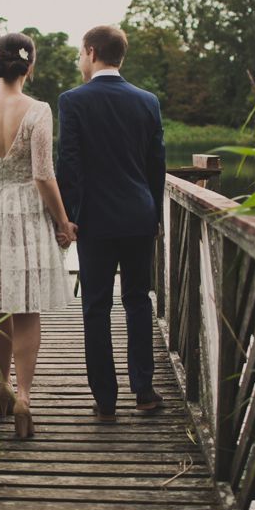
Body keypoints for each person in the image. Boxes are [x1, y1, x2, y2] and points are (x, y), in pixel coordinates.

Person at [0, 32, 77, 439]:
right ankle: (24, 394)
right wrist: (62, 221)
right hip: (26, 208)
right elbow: (43, 173)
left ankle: (1, 383)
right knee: (27, 306)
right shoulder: (38, 110)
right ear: (30, 66)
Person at [56, 25, 166, 423]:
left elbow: (68, 163)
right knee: (138, 301)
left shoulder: (73, 101)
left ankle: (105, 401)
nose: (79, 61)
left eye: (79, 54)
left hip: (95, 222)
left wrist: (69, 217)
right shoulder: (147, 101)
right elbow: (157, 165)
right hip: (139, 216)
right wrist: (153, 214)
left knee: (96, 307)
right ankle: (145, 392)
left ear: (90, 52)